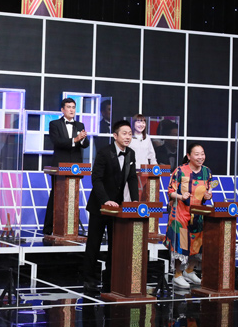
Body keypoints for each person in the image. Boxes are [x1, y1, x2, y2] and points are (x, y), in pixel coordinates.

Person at [83, 120, 138, 292]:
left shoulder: (131, 153)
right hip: (100, 205)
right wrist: (105, 200)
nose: (128, 137)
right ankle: (89, 278)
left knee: (115, 244)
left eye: (130, 134)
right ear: (115, 135)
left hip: (118, 208)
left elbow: (132, 178)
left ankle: (110, 277)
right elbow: (96, 179)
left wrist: (135, 201)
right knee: (94, 243)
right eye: (124, 133)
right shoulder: (104, 152)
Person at [166, 143, 213, 289]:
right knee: (181, 244)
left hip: (198, 214)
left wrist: (208, 196)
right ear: (189, 156)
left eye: (202, 154)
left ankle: (189, 271)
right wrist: (181, 196)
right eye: (197, 154)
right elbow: (170, 192)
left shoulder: (207, 172)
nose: (200, 157)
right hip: (180, 213)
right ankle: (177, 275)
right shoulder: (180, 171)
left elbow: (207, 192)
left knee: (197, 244)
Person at [43, 97, 89, 235]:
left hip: (75, 166)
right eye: (68, 107)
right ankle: (49, 229)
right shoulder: (54, 124)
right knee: (56, 196)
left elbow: (85, 144)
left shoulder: (80, 125)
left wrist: (82, 139)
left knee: (73, 197)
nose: (71, 110)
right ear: (62, 110)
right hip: (59, 166)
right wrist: (75, 139)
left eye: (73, 107)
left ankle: (71, 228)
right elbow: (57, 142)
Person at [129, 114, 157, 201]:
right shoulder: (129, 137)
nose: (141, 124)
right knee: (131, 194)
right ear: (133, 123)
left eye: (143, 122)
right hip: (131, 171)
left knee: (143, 194)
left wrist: (155, 167)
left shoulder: (147, 138)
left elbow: (152, 155)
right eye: (138, 122)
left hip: (144, 172)